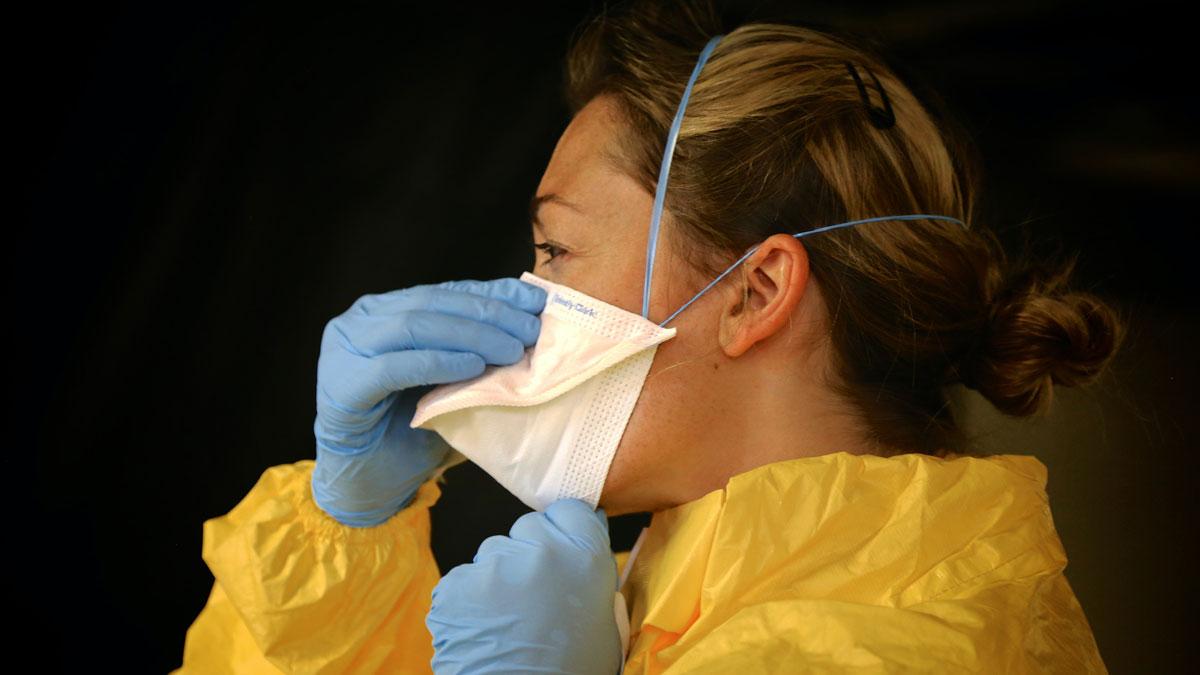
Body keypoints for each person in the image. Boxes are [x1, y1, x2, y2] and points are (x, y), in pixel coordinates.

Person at [174, 0, 1123, 672]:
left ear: (754, 292)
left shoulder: (919, 651)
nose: (526, 299)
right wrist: (344, 538)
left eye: (556, 250)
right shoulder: (657, 603)